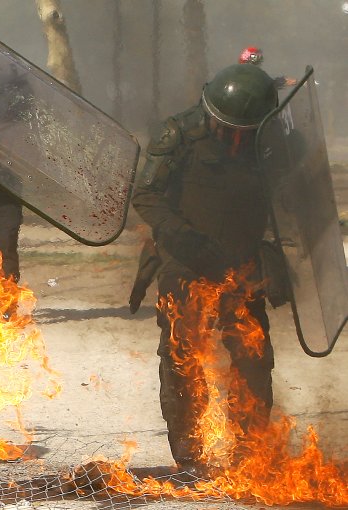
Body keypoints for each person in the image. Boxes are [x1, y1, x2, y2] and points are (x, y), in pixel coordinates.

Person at [130, 63, 280, 478]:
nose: (233, 139)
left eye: (242, 132)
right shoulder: (179, 134)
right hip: (187, 258)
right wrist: (179, 235)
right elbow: (145, 194)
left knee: (253, 359)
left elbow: (296, 194)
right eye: (224, 127)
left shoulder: (270, 142)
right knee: (181, 355)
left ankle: (250, 452)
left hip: (243, 261)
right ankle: (189, 452)